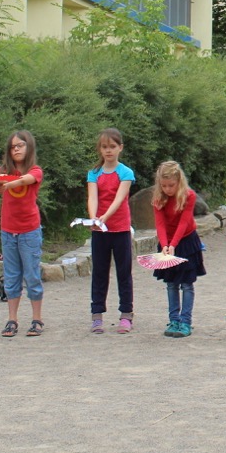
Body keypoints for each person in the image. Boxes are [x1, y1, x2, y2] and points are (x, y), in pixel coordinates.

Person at [0, 131, 45, 338]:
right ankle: (12, 319)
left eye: (20, 145)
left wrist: (10, 181)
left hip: (30, 231)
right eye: (13, 146)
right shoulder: (2, 171)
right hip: (8, 231)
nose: (16, 149)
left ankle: (37, 319)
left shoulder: (35, 171)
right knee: (11, 276)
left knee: (32, 275)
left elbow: (27, 180)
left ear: (29, 147)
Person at [86, 128, 136, 334]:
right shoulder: (93, 173)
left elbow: (119, 198)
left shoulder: (126, 172)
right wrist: (94, 218)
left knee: (124, 273)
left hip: (120, 229)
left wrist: (104, 217)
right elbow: (93, 197)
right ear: (100, 149)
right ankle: (97, 315)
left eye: (112, 147)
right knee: (99, 272)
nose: (108, 151)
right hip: (100, 231)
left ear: (120, 148)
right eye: (105, 147)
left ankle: (126, 314)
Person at [151, 161, 206, 339]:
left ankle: (185, 321)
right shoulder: (158, 198)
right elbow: (160, 224)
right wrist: (164, 245)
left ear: (179, 181)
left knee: (187, 284)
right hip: (167, 242)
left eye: (171, 185)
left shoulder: (189, 196)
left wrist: (173, 244)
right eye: (164, 185)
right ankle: (173, 320)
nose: (167, 189)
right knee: (171, 283)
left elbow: (184, 222)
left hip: (186, 241)